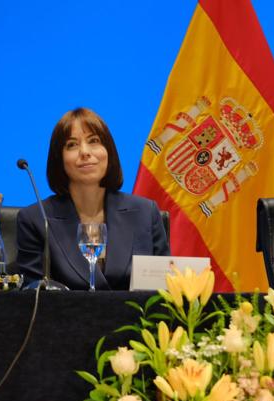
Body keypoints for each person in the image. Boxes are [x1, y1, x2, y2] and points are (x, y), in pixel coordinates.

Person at [17, 107, 170, 290]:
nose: (85, 152)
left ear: (108, 152)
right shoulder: (36, 219)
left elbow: (166, 290)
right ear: (59, 159)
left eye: (94, 141)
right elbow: (30, 298)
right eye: (72, 145)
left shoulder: (145, 213)